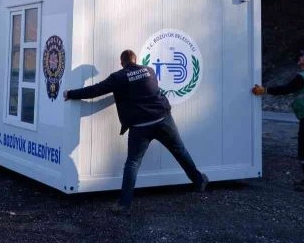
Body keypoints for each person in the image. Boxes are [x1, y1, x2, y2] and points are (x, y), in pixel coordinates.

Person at [64, 49, 209, 215]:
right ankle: (199, 181)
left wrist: (71, 94)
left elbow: (95, 90)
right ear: (135, 59)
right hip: (162, 119)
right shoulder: (149, 70)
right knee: (179, 150)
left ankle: (124, 205)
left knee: (133, 163)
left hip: (141, 126)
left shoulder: (118, 78)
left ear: (122, 63)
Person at [252, 50, 304, 193]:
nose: (299, 57)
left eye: (302, 56)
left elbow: (286, 89)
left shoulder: (303, 76)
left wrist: (264, 90)